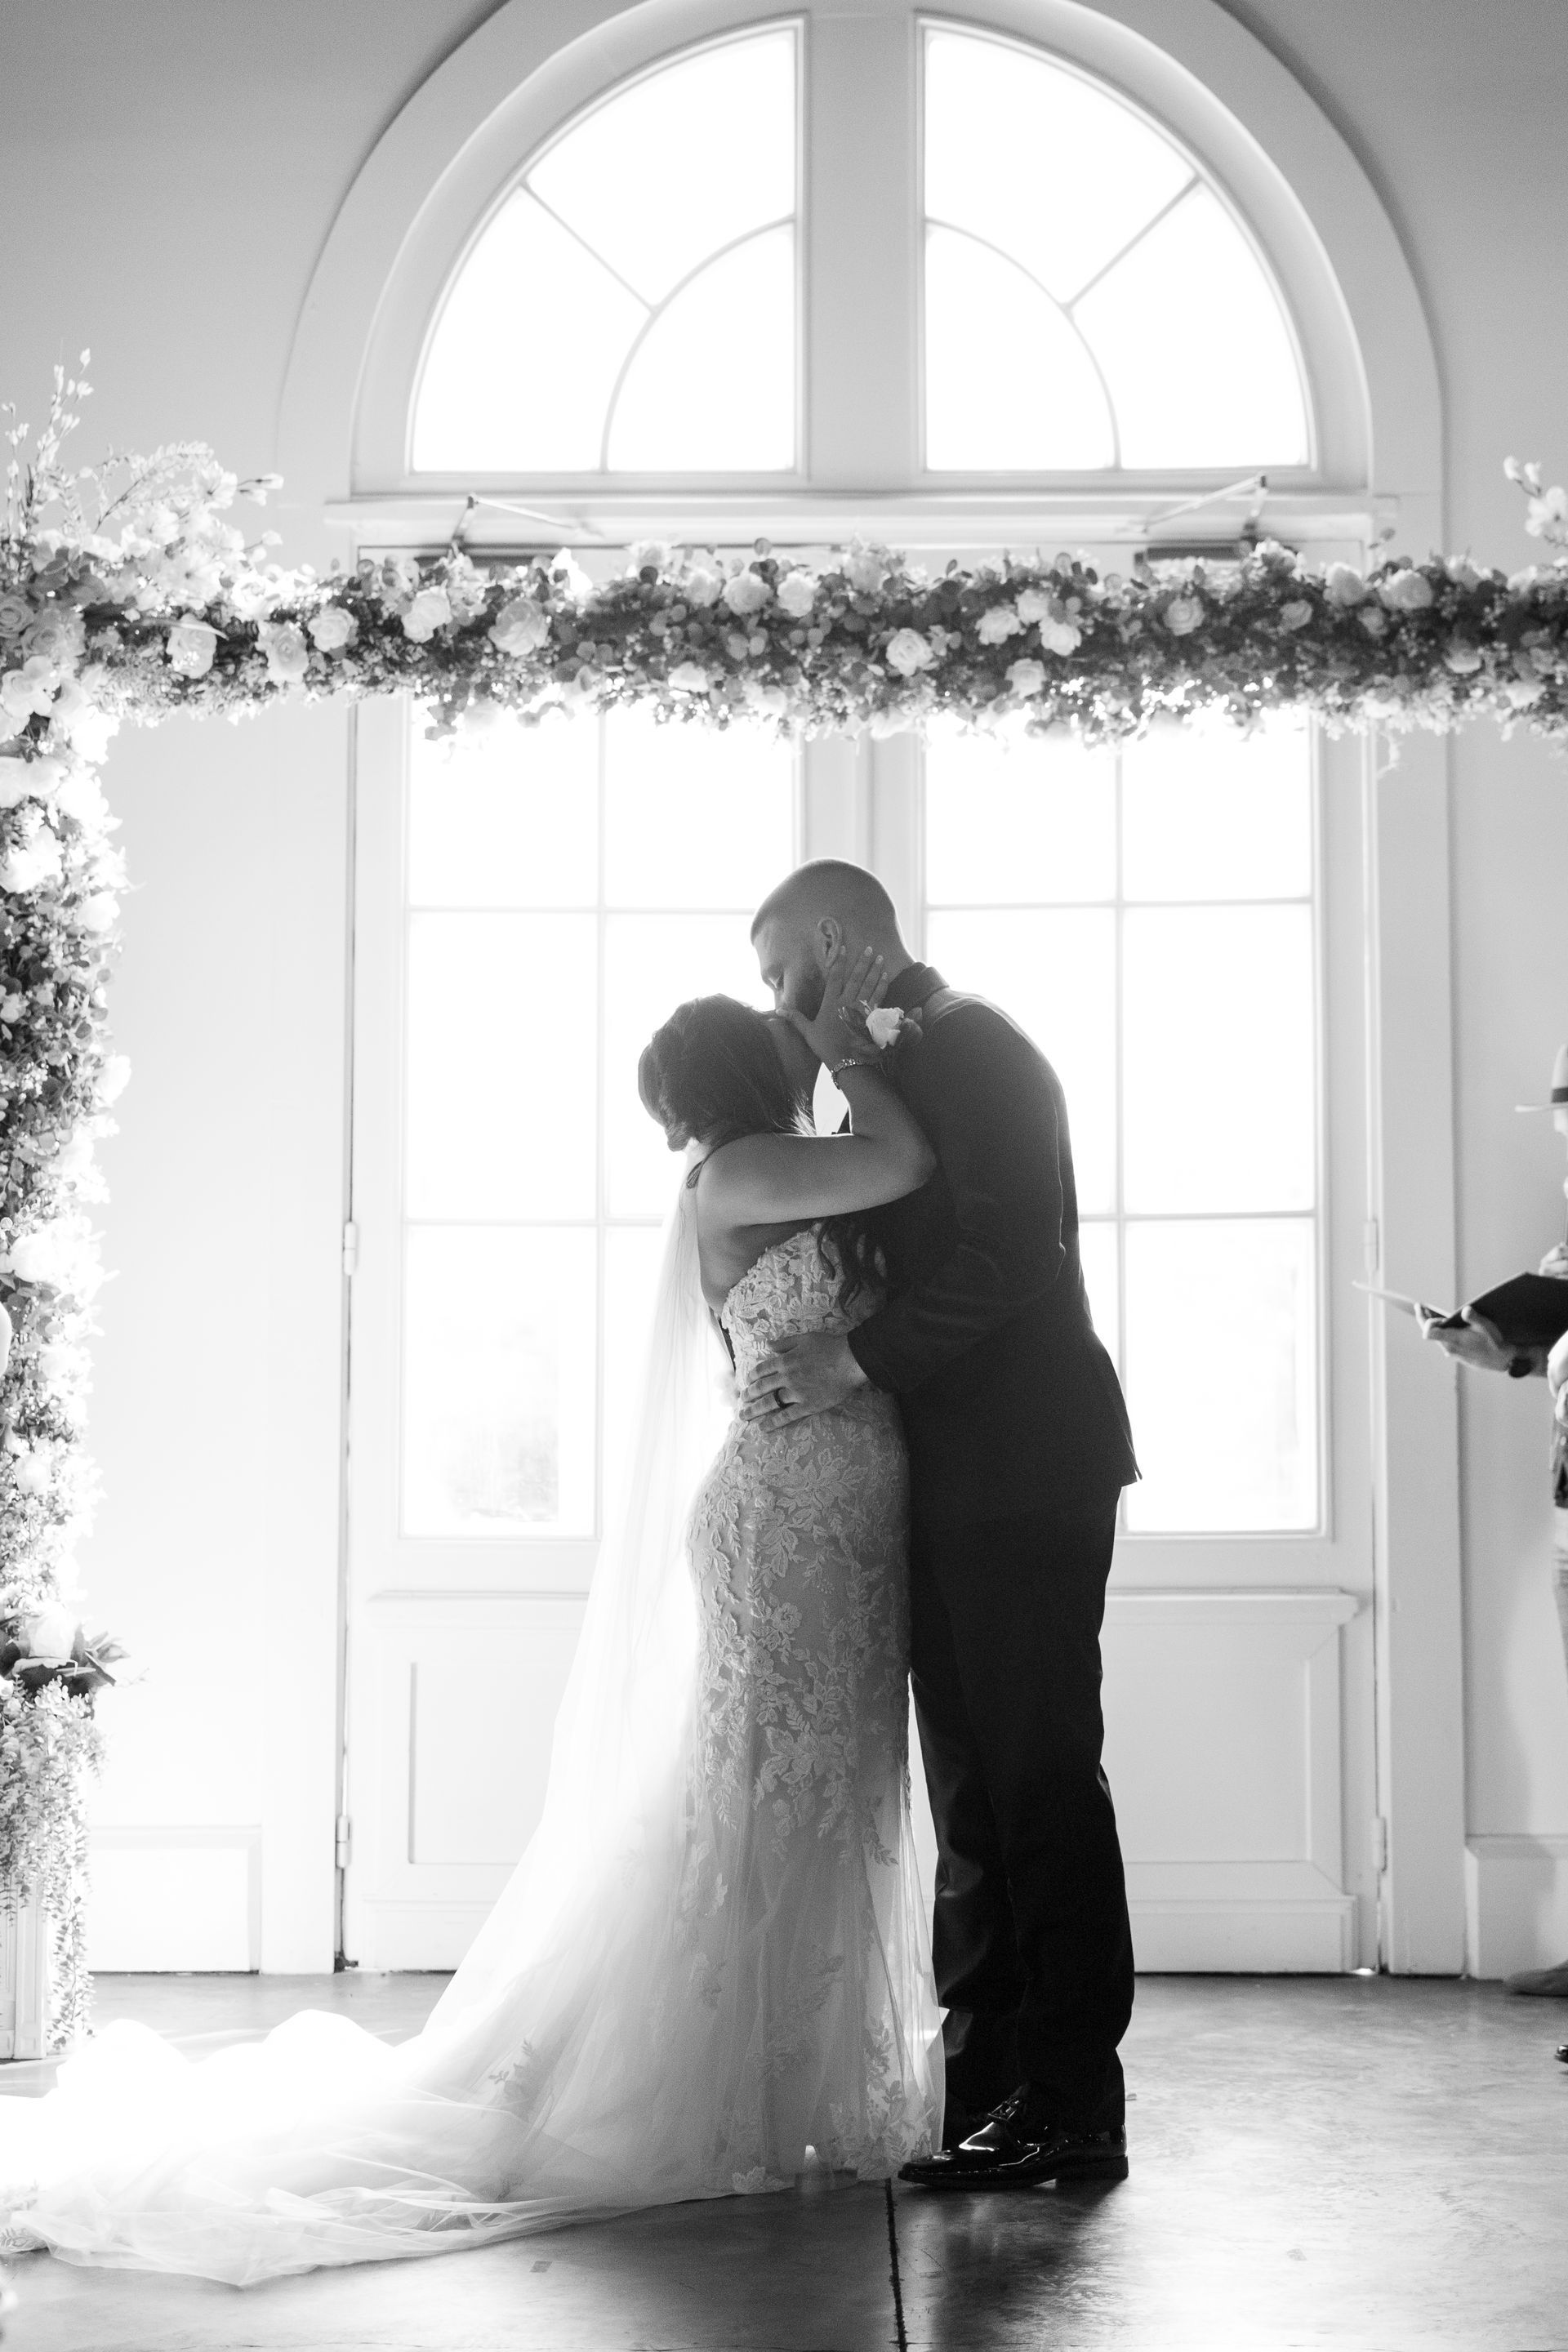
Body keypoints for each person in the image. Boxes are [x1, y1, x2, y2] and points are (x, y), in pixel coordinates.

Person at [0, 948, 941, 2283]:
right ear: (750, 1071)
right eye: (777, 1026)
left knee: (829, 1792)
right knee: (763, 1798)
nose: (797, 1035)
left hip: (845, 1524)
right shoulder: (745, 1173)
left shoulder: (783, 1170)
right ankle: (732, 2092)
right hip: (784, 1522)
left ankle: (805, 2086)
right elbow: (906, 1160)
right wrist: (854, 1037)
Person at [744, 859, 1139, 2190]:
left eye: (782, 969)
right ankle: (987, 2083)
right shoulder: (891, 1063)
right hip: (948, 1472)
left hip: (1031, 1464)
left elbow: (1015, 1251)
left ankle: (1074, 2102)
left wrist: (859, 1363)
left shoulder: (980, 1046)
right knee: (972, 1784)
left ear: (843, 943)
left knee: (1037, 1781)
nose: (778, 1003)